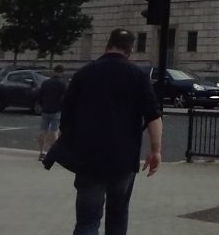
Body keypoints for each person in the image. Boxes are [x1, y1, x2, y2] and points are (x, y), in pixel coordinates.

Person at [57, 29, 162, 235]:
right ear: (130, 49)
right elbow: (153, 115)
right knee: (118, 215)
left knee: (87, 220)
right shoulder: (137, 76)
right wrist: (155, 150)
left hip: (89, 157)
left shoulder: (84, 73)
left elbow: (66, 117)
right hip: (123, 158)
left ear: (107, 45)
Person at [38, 65, 67, 162]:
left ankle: (41, 152)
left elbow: (40, 96)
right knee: (54, 132)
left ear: (53, 71)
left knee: (43, 131)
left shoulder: (45, 83)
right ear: (61, 72)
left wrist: (42, 105)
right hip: (56, 110)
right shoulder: (62, 84)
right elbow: (66, 98)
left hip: (45, 109)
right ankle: (54, 153)